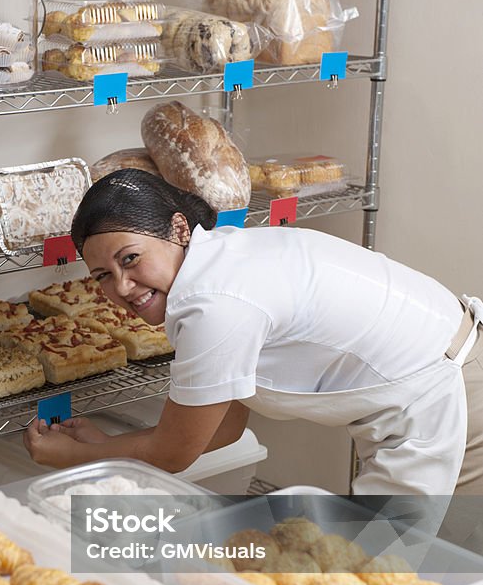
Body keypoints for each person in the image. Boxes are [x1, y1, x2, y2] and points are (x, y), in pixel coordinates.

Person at [24, 169, 483, 496]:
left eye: (130, 259)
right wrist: (108, 445)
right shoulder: (217, 259)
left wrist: (68, 458)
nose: (122, 288)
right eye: (102, 275)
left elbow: (174, 453)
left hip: (448, 401)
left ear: (178, 228)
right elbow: (224, 423)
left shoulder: (212, 303)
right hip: (439, 375)